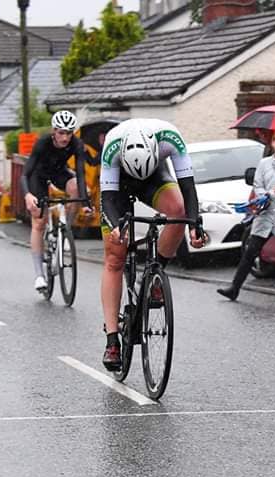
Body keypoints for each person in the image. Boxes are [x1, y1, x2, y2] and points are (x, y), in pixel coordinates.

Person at [98, 118, 207, 371]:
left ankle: (154, 276)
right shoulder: (112, 147)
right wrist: (116, 227)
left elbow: (188, 188)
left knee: (179, 211)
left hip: (155, 177)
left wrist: (194, 226)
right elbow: (107, 200)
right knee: (114, 256)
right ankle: (112, 340)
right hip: (118, 186)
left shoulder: (171, 139)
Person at [217, 128, 275, 303]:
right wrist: (264, 195)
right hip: (266, 214)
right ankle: (234, 288)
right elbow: (258, 185)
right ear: (273, 143)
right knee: (250, 252)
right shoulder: (264, 164)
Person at [22, 110, 93, 293]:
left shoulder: (76, 144)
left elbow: (81, 174)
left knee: (77, 188)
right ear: (54, 131)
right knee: (39, 221)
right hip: (38, 176)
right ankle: (39, 275)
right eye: (61, 133)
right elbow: (25, 173)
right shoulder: (43, 143)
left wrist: (85, 204)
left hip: (59, 172)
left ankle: (66, 229)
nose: (65, 138)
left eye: (69, 133)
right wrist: (28, 194)